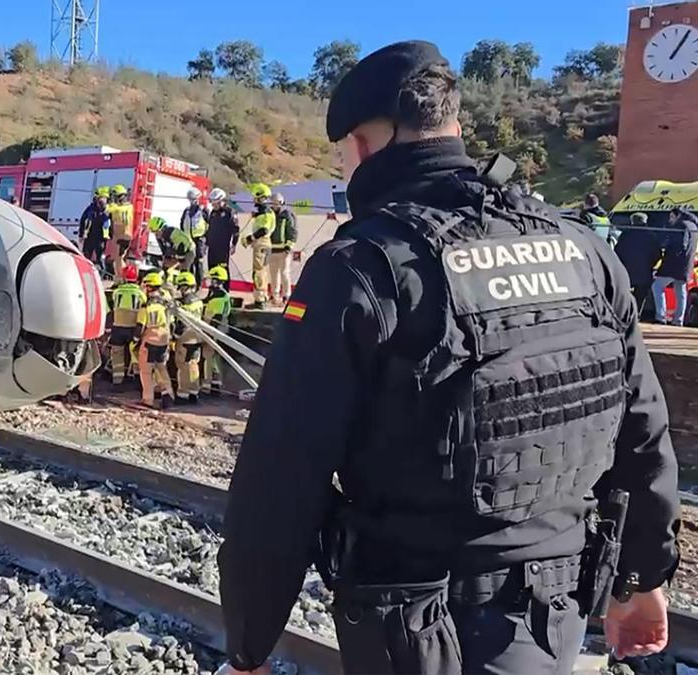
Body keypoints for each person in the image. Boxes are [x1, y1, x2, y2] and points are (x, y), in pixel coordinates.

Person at [218, 40, 680, 675]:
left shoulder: (360, 267)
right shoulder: (582, 250)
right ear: (452, 125)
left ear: (362, 145)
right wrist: (640, 579)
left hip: (415, 625)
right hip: (558, 611)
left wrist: (248, 642)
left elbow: (280, 477)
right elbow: (643, 429)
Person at [615, 212, 664, 322]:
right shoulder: (652, 236)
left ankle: (624, 315)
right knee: (640, 297)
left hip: (626, 272)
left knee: (624, 294)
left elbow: (617, 251)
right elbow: (658, 254)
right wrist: (650, 264)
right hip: (645, 272)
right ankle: (636, 316)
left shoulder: (625, 234)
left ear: (632, 221)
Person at [135, 271, 174, 409]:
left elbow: (140, 326)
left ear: (150, 287)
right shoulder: (166, 305)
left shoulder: (146, 306)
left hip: (150, 341)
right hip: (164, 340)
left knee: (146, 371)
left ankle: (148, 400)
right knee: (162, 368)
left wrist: (135, 340)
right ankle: (168, 395)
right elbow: (172, 323)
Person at [654, 208, 698, 326]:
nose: (670, 219)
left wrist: (667, 249)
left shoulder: (681, 225)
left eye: (671, 216)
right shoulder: (693, 226)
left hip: (673, 265)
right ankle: (678, 320)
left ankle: (660, 316)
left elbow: (680, 245)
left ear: (676, 215)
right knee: (681, 292)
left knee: (657, 286)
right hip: (686, 266)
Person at [239, 184, 276, 309]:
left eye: (255, 197)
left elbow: (264, 230)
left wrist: (250, 238)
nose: (253, 200)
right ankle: (262, 298)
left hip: (262, 244)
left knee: (258, 272)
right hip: (262, 244)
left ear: (260, 197)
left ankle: (260, 301)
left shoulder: (266, 213)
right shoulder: (264, 212)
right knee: (262, 272)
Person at [108, 264, 147, 386]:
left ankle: (117, 380)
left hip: (118, 327)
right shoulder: (140, 294)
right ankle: (137, 380)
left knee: (117, 354)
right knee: (135, 354)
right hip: (133, 328)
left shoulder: (117, 292)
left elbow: (112, 306)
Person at [172, 271, 204, 404]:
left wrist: (175, 336)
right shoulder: (199, 301)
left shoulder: (184, 304)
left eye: (181, 287)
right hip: (197, 337)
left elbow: (182, 324)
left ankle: (182, 395)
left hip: (185, 339)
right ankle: (194, 392)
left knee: (183, 367)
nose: (180, 290)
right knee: (193, 365)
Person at [201, 265, 233, 396]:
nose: (210, 283)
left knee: (208, 358)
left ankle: (207, 386)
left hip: (215, 330)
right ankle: (215, 384)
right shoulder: (218, 295)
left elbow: (216, 317)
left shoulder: (220, 297)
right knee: (213, 359)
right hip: (218, 329)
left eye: (212, 280)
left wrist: (208, 332)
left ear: (217, 281)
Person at [266, 193, 297, 306]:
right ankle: (275, 296)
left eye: (276, 203)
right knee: (273, 274)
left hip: (284, 250)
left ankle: (287, 295)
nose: (274, 205)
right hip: (272, 249)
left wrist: (289, 246)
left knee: (284, 273)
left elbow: (293, 231)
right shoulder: (269, 214)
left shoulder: (287, 215)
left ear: (281, 202)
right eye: (273, 203)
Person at [206, 188, 239, 273]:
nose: (214, 206)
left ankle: (224, 286)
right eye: (212, 204)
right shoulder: (213, 213)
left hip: (223, 248)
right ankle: (214, 285)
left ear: (221, 201)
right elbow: (210, 228)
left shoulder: (230, 212)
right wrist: (206, 243)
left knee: (222, 270)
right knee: (212, 269)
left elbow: (235, 230)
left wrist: (234, 244)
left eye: (215, 204)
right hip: (212, 247)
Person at [181, 188, 211, 281]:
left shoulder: (203, 210)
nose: (192, 201)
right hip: (188, 240)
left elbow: (209, 224)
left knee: (198, 262)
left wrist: (206, 239)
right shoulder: (186, 211)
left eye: (194, 199)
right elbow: (182, 224)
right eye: (190, 199)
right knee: (189, 262)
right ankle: (189, 282)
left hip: (199, 240)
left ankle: (199, 284)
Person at [81, 187, 112, 274]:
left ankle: (101, 273)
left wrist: (111, 235)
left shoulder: (108, 210)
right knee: (86, 255)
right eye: (100, 200)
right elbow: (83, 219)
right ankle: (85, 272)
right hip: (90, 235)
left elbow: (110, 223)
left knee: (99, 257)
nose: (101, 202)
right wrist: (81, 233)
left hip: (101, 237)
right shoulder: (91, 208)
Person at [106, 185, 135, 272]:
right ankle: (123, 276)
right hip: (127, 236)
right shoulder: (130, 207)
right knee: (119, 258)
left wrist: (109, 201)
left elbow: (106, 210)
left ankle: (120, 278)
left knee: (118, 260)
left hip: (120, 236)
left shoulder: (116, 209)